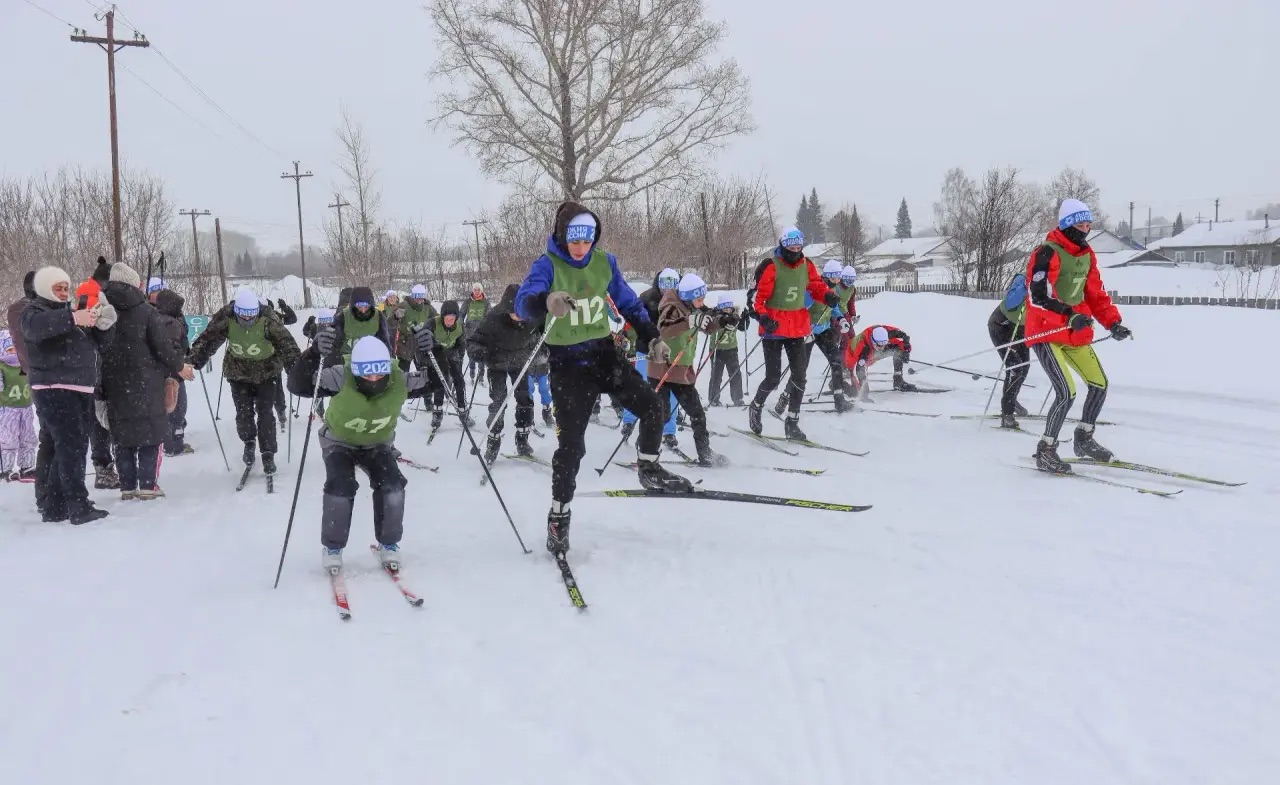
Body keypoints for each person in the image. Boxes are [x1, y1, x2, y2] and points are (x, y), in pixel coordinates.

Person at [516, 201, 692, 555]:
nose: (581, 248)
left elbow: (629, 304)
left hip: (603, 354)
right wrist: (546, 301)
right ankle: (559, 515)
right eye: (574, 241)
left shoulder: (604, 262)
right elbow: (523, 303)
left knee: (652, 406)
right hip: (567, 365)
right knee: (572, 448)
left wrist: (651, 338)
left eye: (588, 241)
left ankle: (649, 466)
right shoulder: (547, 265)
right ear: (562, 236)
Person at [288, 335, 437, 572]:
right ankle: (333, 547)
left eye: (380, 373)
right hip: (339, 442)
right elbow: (299, 386)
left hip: (377, 444)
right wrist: (313, 353)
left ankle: (389, 543)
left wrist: (434, 351)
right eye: (366, 374)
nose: (374, 379)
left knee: (393, 485)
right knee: (340, 486)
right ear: (356, 371)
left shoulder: (399, 380)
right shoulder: (341, 376)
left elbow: (436, 381)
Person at [1026, 199, 1132, 472]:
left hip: (1075, 333)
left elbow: (1095, 294)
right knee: (1066, 392)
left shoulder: (1087, 255)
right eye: (1080, 224)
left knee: (1099, 384)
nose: (1086, 229)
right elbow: (1037, 296)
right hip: (1047, 332)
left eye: (1088, 224)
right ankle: (1046, 450)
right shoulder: (1046, 252)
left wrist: (1113, 322)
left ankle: (1084, 439)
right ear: (1067, 225)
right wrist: (1069, 314)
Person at [20, 265, 116, 524]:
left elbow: (95, 345)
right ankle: (77, 505)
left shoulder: (68, 313)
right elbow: (37, 328)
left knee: (61, 447)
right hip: (57, 388)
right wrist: (74, 318)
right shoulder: (34, 312)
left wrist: (104, 326)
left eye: (66, 288)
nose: (64, 293)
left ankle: (55, 504)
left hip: (77, 387)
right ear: (44, 289)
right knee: (72, 448)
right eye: (58, 288)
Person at [99, 264, 191, 500]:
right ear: (134, 284)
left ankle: (127, 486)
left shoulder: (101, 309)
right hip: (146, 381)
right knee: (150, 432)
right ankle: (148, 485)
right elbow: (162, 347)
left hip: (112, 381)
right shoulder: (147, 312)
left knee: (122, 435)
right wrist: (179, 366)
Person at [188, 287, 301, 475]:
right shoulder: (227, 316)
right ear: (237, 311)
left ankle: (268, 453)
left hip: (267, 372)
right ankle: (249, 442)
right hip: (239, 373)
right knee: (243, 413)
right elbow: (209, 338)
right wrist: (195, 359)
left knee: (265, 414)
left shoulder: (269, 319)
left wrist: (296, 369)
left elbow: (287, 345)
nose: (247, 320)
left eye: (251, 316)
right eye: (243, 316)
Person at [747, 226, 841, 440]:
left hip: (797, 327)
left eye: (799, 248)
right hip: (774, 328)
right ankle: (756, 405)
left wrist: (826, 296)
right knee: (773, 378)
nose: (795, 252)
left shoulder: (807, 265)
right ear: (783, 246)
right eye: (791, 248)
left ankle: (792, 422)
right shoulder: (771, 266)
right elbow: (758, 299)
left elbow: (815, 286)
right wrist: (763, 317)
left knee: (800, 376)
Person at [647, 273, 731, 465]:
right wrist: (691, 322)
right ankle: (646, 454)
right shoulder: (671, 306)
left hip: (680, 372)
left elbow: (707, 324)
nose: (702, 303)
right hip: (661, 370)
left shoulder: (693, 306)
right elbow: (665, 328)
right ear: (687, 296)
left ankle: (705, 453)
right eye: (699, 299)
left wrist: (723, 322)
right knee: (660, 416)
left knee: (697, 414)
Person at [467, 284, 540, 463]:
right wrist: (479, 352)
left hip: (520, 362)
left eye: (521, 312)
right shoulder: (493, 317)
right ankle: (493, 443)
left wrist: (540, 351)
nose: (518, 317)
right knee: (499, 402)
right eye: (514, 313)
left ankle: (522, 440)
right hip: (497, 363)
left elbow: (541, 335)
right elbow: (474, 341)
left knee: (525, 399)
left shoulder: (531, 317)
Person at [775, 259, 854, 414]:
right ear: (828, 276)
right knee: (801, 369)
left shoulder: (834, 290)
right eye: (835, 277)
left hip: (824, 331)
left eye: (839, 277)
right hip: (808, 332)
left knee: (836, 362)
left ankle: (839, 400)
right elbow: (801, 308)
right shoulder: (814, 289)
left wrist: (841, 319)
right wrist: (803, 327)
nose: (838, 280)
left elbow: (834, 307)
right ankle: (785, 397)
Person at [620, 267, 680, 442]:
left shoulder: (682, 300)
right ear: (658, 283)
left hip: (670, 353)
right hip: (646, 351)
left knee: (672, 392)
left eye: (672, 284)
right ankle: (629, 420)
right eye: (664, 283)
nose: (667, 288)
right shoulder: (647, 298)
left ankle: (669, 430)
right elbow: (634, 318)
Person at [419, 300, 471, 435]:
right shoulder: (433, 323)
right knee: (440, 382)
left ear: (456, 318)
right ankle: (437, 413)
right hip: (437, 354)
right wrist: (425, 355)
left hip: (452, 353)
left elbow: (461, 344)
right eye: (447, 318)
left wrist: (460, 357)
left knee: (459, 382)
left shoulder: (460, 326)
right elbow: (422, 338)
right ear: (442, 317)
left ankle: (463, 411)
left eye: (452, 319)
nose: (449, 321)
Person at [154, 288, 195, 456]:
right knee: (177, 407)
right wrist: (182, 364)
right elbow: (173, 349)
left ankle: (168, 442)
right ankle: (174, 444)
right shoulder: (171, 323)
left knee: (168, 407)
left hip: (159, 372)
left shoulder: (155, 318)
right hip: (173, 373)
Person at [988, 272, 1032, 429]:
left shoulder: (1050, 284)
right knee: (1015, 368)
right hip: (1001, 326)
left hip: (1020, 328)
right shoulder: (1022, 279)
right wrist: (1026, 286)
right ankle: (1007, 413)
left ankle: (1011, 400)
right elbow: (1010, 303)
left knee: (1024, 367)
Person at [324, 286, 393, 367]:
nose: (363, 310)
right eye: (359, 306)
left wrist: (388, 361)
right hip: (347, 362)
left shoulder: (378, 316)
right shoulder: (343, 316)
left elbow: (385, 343)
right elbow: (334, 345)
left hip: (371, 363)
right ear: (353, 305)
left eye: (366, 306)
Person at [0, 329, 36, 482]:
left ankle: (27, 466)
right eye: (9, 350)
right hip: (8, 409)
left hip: (26, 408)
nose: (13, 353)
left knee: (28, 438)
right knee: (7, 439)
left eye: (16, 349)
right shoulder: (2, 367)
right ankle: (5, 468)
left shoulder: (25, 365)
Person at [845, 324, 916, 398]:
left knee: (898, 350)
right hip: (853, 357)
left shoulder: (889, 334)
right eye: (880, 345)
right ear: (873, 340)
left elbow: (903, 340)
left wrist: (906, 351)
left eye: (884, 344)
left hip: (873, 352)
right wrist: (863, 392)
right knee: (855, 391)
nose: (882, 347)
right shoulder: (861, 346)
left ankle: (898, 381)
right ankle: (842, 383)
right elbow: (857, 369)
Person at [706, 296, 744, 407]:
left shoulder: (735, 317)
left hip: (731, 350)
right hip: (717, 350)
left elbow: (742, 327)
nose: (727, 310)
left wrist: (745, 319)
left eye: (729, 308)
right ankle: (713, 398)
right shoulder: (716, 317)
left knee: (735, 374)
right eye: (724, 308)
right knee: (716, 375)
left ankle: (738, 398)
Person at [395, 284, 434, 372]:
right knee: (403, 373)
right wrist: (395, 316)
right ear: (413, 296)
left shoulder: (427, 307)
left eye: (421, 298)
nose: (419, 300)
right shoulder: (403, 305)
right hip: (405, 344)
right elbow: (389, 322)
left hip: (421, 343)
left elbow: (436, 320)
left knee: (424, 373)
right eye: (417, 297)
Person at [463, 282, 490, 385]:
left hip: (481, 331)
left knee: (481, 353)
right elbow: (461, 314)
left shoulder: (486, 302)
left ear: (481, 291)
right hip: (469, 331)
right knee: (471, 353)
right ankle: (472, 374)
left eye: (478, 290)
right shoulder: (468, 301)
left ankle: (481, 376)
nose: (477, 292)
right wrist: (460, 323)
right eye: (475, 290)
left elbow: (489, 315)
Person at [526, 341, 553, 427]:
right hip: (528, 366)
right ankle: (529, 414)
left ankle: (547, 412)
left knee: (544, 389)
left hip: (542, 366)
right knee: (529, 389)